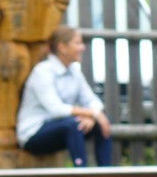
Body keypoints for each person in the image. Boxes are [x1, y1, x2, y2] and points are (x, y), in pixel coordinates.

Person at [16, 25, 112, 167]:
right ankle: (82, 176)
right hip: (33, 134)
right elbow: (56, 110)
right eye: (78, 43)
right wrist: (93, 113)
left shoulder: (74, 71)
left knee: (101, 123)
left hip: (63, 128)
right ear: (62, 47)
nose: (82, 47)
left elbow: (92, 100)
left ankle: (106, 175)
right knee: (73, 125)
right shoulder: (42, 72)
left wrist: (93, 116)